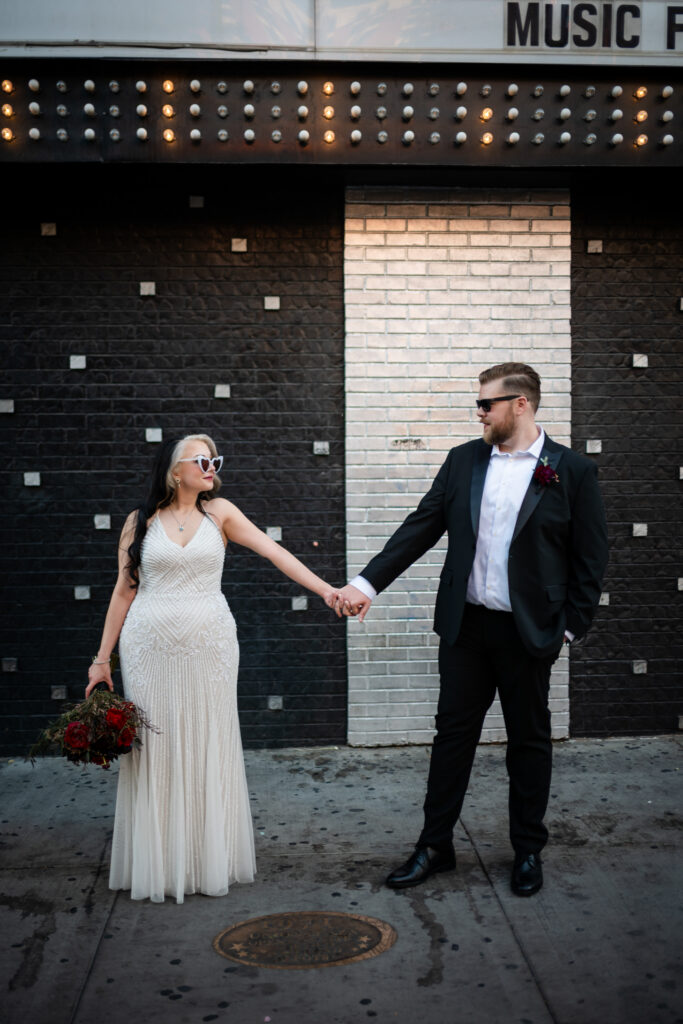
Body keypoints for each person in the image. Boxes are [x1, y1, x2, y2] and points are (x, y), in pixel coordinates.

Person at [333, 363, 608, 896]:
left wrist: (570, 630)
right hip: (466, 628)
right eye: (478, 405)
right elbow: (420, 526)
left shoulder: (570, 470)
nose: (479, 413)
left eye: (487, 404)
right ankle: (435, 845)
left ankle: (528, 850)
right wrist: (366, 585)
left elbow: (590, 559)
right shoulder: (463, 461)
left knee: (529, 742)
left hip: (530, 634)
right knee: (452, 738)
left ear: (521, 404)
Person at [86, 433, 343, 903]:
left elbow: (274, 551)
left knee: (208, 736)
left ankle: (208, 858)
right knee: (157, 743)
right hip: (147, 649)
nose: (211, 467)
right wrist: (101, 660)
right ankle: (161, 863)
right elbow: (124, 591)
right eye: (202, 460)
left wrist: (326, 590)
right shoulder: (138, 522)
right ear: (174, 469)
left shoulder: (220, 513)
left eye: (215, 460)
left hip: (211, 647)